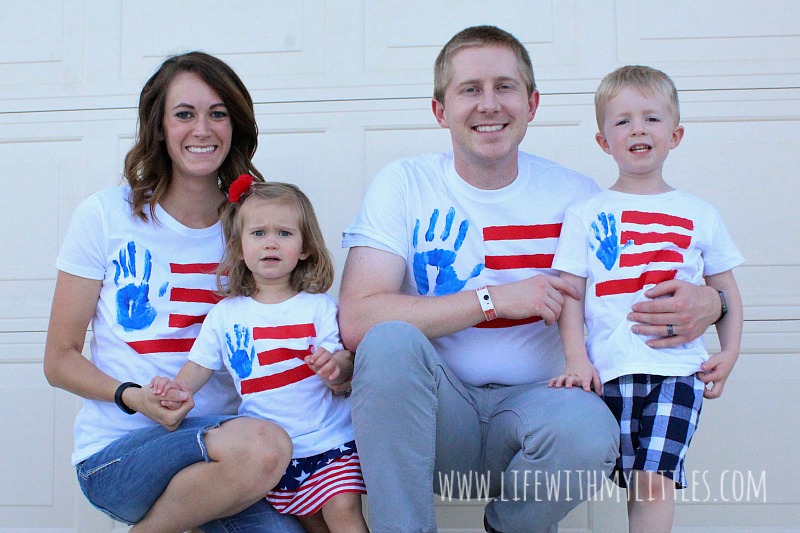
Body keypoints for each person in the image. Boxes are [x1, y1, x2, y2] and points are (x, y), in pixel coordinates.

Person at [338, 26, 728, 533]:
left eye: (504, 87)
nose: (489, 104)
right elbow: (358, 319)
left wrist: (713, 302)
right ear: (440, 111)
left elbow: (647, 280)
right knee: (387, 341)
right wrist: (492, 300)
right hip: (436, 415)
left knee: (590, 427)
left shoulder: (578, 197)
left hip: (537, 412)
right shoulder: (405, 183)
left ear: (532, 103)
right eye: (469, 90)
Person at [43, 52, 309, 532]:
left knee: (273, 473)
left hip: (232, 454)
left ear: (236, 125)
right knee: (265, 446)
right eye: (184, 114)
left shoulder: (257, 227)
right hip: (120, 453)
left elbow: (287, 327)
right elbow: (58, 360)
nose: (202, 129)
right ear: (159, 127)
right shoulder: (105, 216)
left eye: (218, 113)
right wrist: (134, 397)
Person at [548, 65, 743, 533]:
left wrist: (730, 351)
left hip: (678, 371)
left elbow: (727, 292)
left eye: (651, 118)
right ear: (603, 142)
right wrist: (577, 357)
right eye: (622, 121)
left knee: (654, 479)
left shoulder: (700, 213)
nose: (638, 128)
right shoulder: (586, 213)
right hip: (610, 368)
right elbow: (569, 292)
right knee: (633, 481)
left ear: (675, 135)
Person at [151, 178, 368, 533]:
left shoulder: (318, 308)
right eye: (258, 234)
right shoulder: (225, 315)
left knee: (343, 514)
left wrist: (334, 366)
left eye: (284, 233)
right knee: (313, 526)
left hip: (329, 439)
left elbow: (345, 361)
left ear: (304, 248)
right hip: (276, 454)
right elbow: (198, 367)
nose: (270, 242)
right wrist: (175, 390)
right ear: (238, 248)